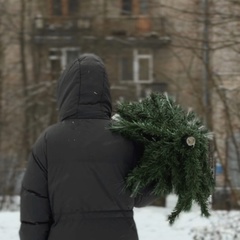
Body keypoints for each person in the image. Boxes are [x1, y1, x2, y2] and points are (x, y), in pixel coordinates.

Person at [19, 54, 157, 240]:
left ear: (65, 92)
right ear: (105, 92)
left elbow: (34, 211)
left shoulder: (48, 141)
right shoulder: (126, 138)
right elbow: (141, 196)